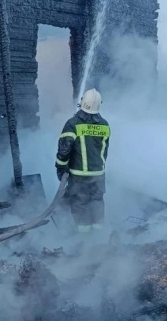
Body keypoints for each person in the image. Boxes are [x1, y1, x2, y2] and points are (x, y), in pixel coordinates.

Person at [55, 88, 111, 234]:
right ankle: (99, 237)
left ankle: (85, 240)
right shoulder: (105, 125)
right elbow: (104, 151)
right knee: (97, 203)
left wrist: (60, 168)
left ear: (82, 102)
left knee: (80, 205)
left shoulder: (72, 124)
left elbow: (64, 151)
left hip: (79, 177)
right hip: (99, 176)